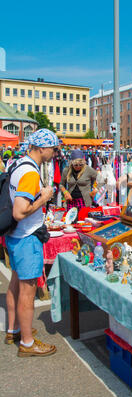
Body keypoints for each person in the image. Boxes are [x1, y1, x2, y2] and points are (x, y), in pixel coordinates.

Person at [5, 129, 59, 357]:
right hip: (27, 236)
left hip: (15, 235)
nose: (55, 153)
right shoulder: (30, 173)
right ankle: (27, 343)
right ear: (43, 148)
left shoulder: (16, 163)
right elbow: (20, 211)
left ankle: (14, 329)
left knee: (15, 284)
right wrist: (44, 198)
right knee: (28, 292)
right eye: (54, 149)